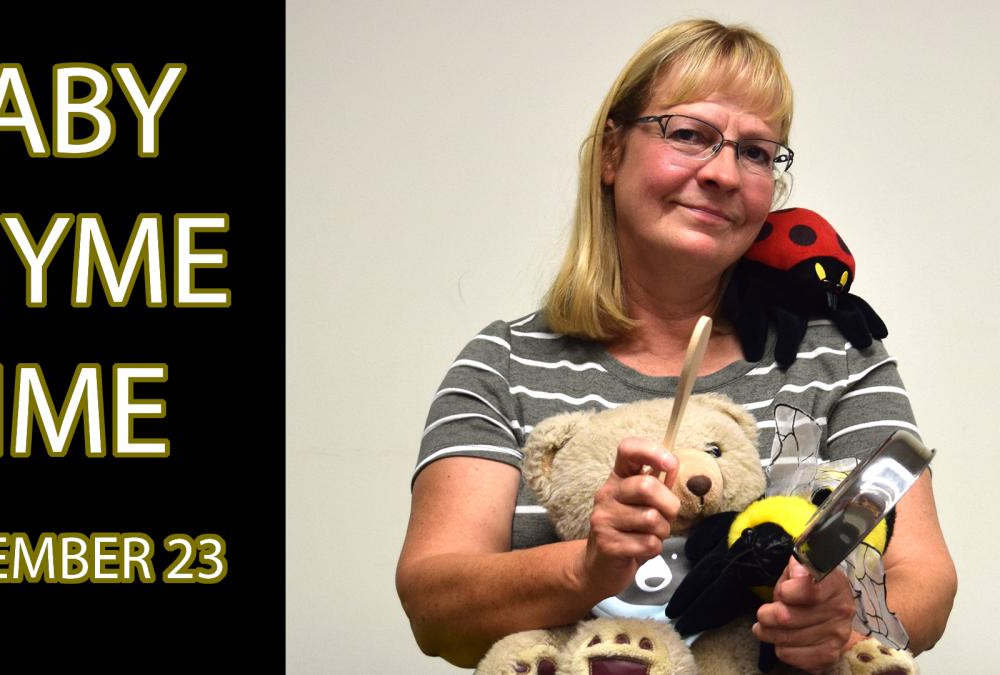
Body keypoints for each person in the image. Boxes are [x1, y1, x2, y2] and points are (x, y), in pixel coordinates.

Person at [395, 19, 955, 673]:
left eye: (755, 152)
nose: (723, 172)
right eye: (689, 134)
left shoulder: (838, 360)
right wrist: (589, 565)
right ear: (611, 153)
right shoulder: (503, 364)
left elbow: (928, 584)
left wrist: (846, 616)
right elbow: (434, 610)